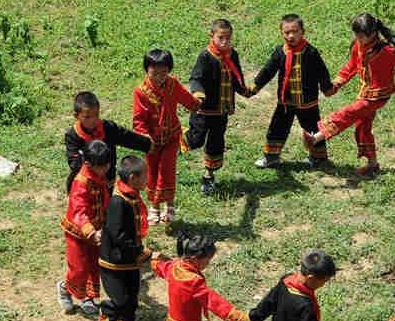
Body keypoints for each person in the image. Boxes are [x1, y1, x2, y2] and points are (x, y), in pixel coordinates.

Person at [302, 13, 395, 176]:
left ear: (372, 33)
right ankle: (373, 165)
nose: (358, 38)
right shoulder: (358, 45)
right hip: (364, 94)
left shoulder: (386, 51)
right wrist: (336, 84)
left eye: (361, 35)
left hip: (378, 96)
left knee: (348, 113)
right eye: (356, 34)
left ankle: (316, 137)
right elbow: (350, 67)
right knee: (362, 128)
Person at [248, 14, 335, 168]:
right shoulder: (280, 52)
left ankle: (319, 157)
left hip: (308, 102)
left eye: (295, 31)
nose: (291, 35)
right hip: (285, 102)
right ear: (282, 33)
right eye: (287, 32)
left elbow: (322, 71)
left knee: (313, 129)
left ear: (303, 32)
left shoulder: (311, 53)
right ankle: (271, 157)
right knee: (277, 127)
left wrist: (327, 88)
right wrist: (255, 86)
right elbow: (268, 71)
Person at [93, 155, 154, 321]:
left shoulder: (132, 195)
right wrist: (141, 252)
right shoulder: (119, 201)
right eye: (144, 176)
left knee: (131, 302)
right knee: (119, 301)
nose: (147, 180)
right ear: (132, 177)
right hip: (113, 263)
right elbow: (118, 236)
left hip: (129, 261)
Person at [132, 49, 201, 224]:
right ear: (147, 70)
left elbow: (187, 99)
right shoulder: (140, 92)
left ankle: (169, 205)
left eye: (164, 72)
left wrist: (197, 104)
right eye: (155, 73)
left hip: (171, 137)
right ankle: (154, 207)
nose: (160, 77)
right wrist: (145, 138)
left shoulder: (172, 84)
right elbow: (138, 120)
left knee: (167, 170)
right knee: (153, 172)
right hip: (152, 142)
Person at [184, 19, 250, 194]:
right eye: (221, 37)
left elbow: (237, 76)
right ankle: (174, 145)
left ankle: (208, 176)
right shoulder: (205, 57)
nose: (225, 42)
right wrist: (198, 94)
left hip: (222, 111)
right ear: (211, 36)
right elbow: (195, 78)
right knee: (196, 139)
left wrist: (244, 90)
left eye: (228, 38)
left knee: (216, 142)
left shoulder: (232, 55)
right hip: (204, 110)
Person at [57, 140, 112, 316]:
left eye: (108, 164)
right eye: (103, 166)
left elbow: (104, 200)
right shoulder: (80, 183)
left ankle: (88, 299)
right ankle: (65, 288)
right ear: (88, 164)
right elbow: (79, 211)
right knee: (79, 268)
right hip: (79, 233)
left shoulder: (99, 175)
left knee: (94, 266)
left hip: (97, 231)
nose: (107, 169)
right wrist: (91, 231)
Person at [64, 91, 152, 194]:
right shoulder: (73, 136)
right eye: (87, 117)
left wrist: (147, 145)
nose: (93, 120)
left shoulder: (108, 128)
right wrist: (94, 170)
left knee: (105, 206)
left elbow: (127, 137)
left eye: (96, 115)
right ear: (76, 115)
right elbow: (74, 162)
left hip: (107, 181)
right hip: (84, 186)